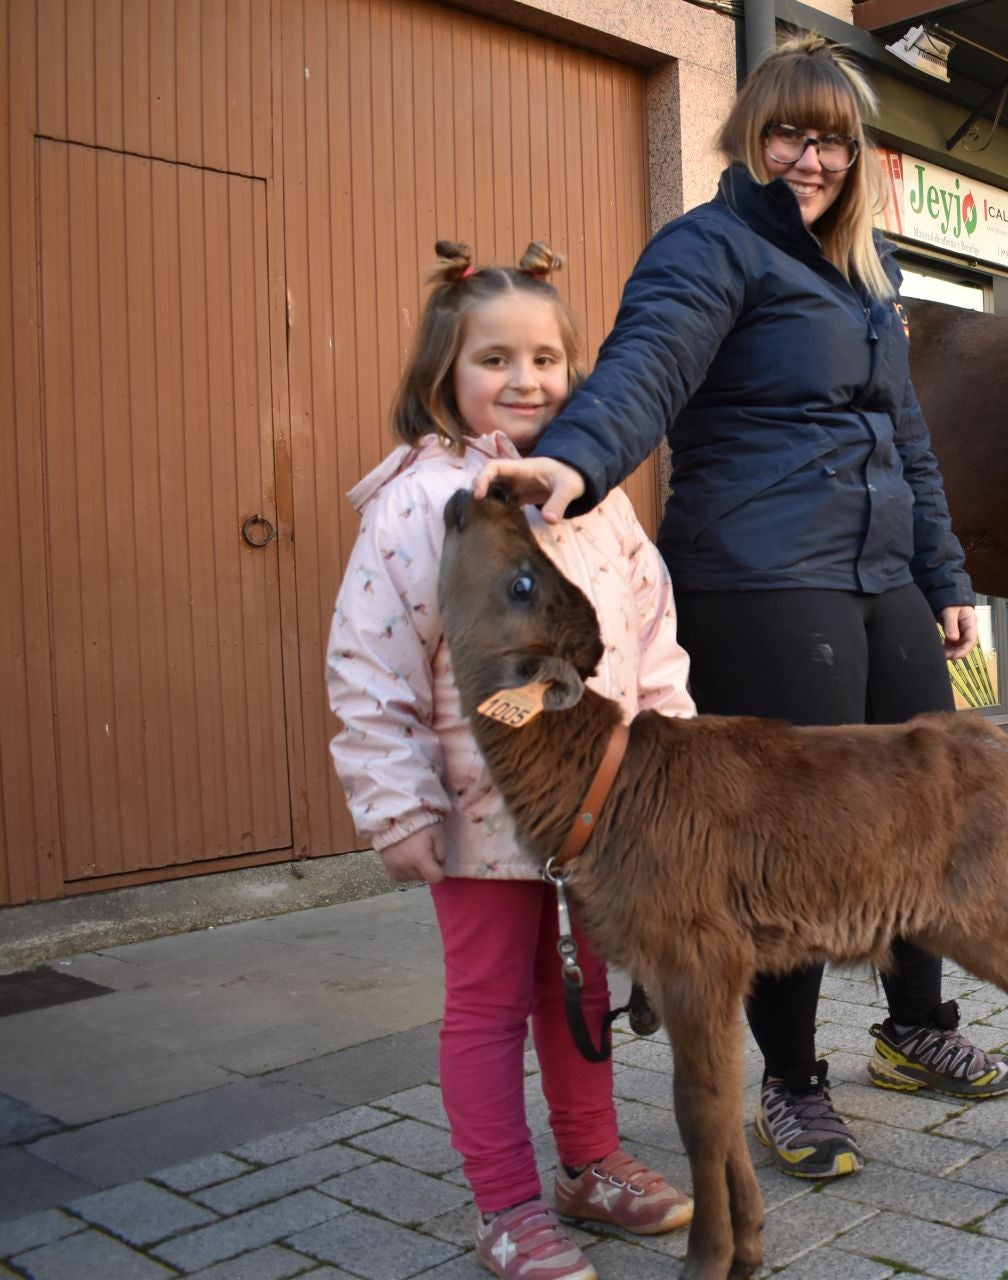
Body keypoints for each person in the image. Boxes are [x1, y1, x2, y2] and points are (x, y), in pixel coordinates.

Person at [472, 35, 1008, 1184]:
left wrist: (948, 579)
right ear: (748, 138)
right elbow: (647, 364)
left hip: (879, 577)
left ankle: (913, 1026)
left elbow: (906, 443)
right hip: (765, 574)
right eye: (788, 133)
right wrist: (574, 460)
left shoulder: (868, 279)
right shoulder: (709, 248)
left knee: (921, 809)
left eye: (832, 138)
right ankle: (794, 1080)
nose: (810, 158)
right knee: (789, 845)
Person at [328, 241, 695, 1280]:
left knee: (581, 989)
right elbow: (371, 664)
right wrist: (395, 807)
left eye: (546, 357)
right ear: (445, 370)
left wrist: (666, 768)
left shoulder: (598, 500)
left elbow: (652, 635)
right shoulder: (418, 508)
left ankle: (589, 1162)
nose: (526, 379)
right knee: (492, 998)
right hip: (479, 812)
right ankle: (504, 1203)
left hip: (602, 815)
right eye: (497, 358)